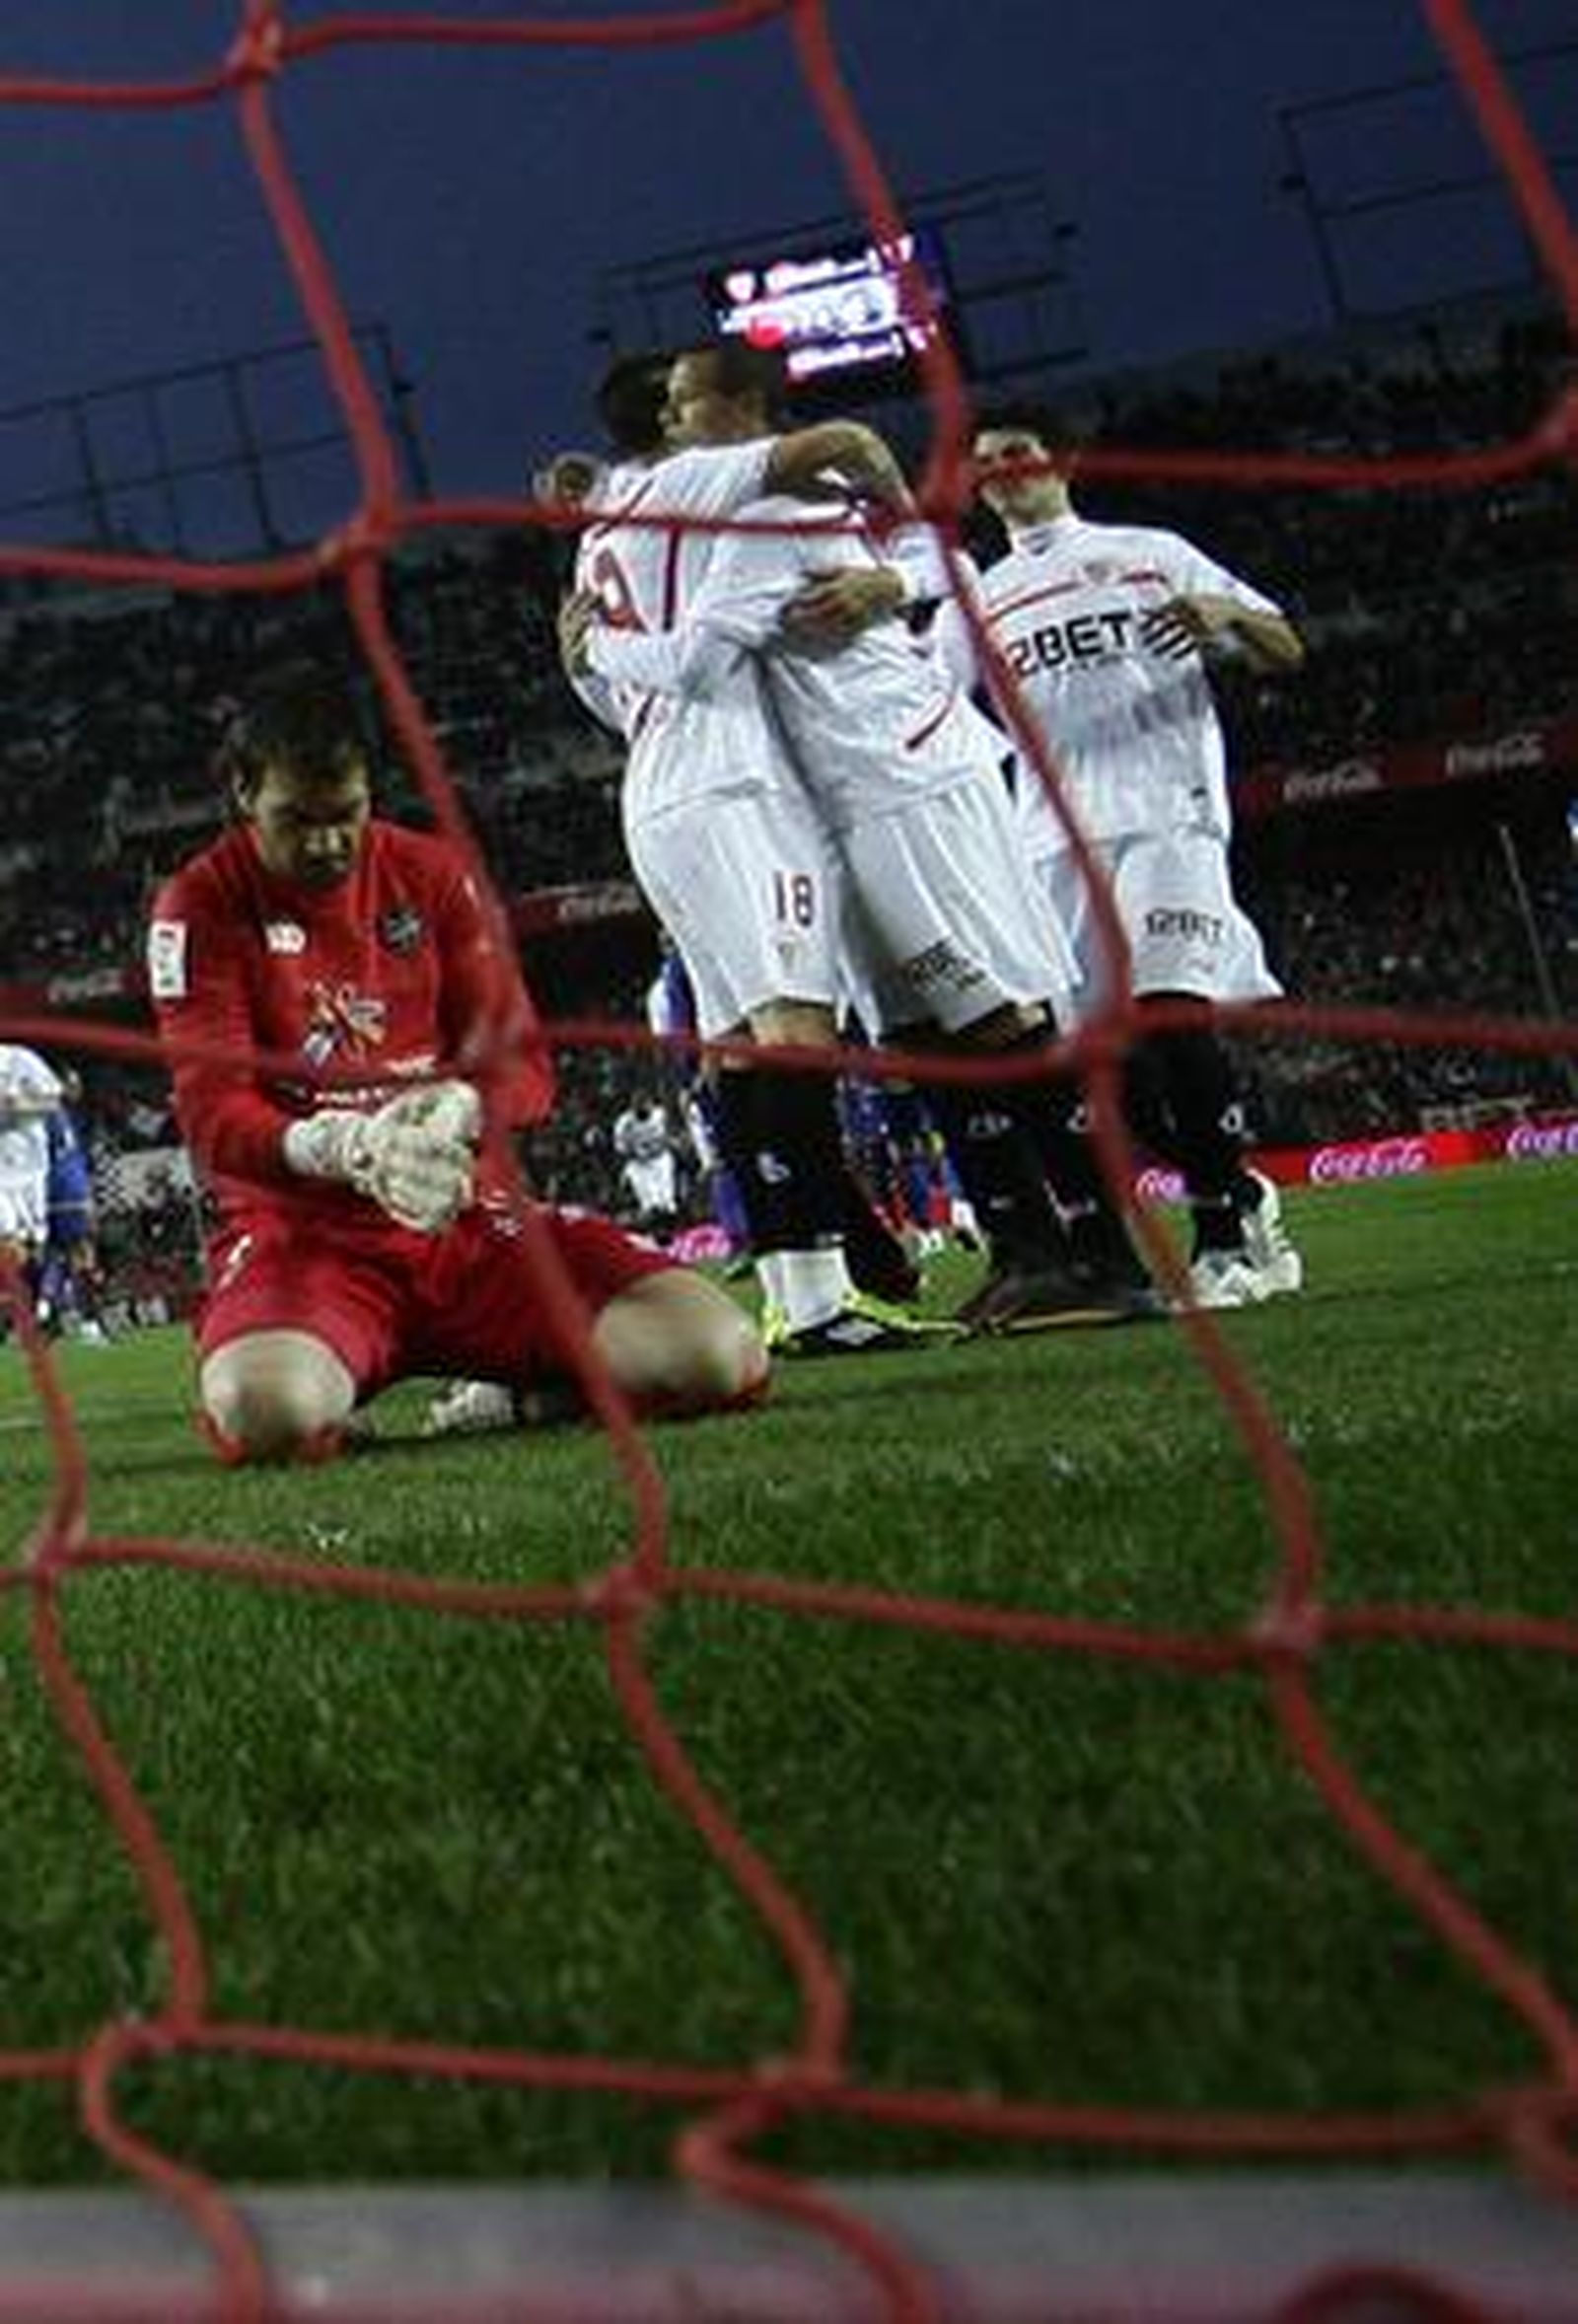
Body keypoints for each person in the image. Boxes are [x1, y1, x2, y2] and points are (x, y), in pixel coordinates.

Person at [567, 351, 1161, 1332]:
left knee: (990, 1014)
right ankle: (1027, 1251)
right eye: (664, 408)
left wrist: (883, 584)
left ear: (741, 410)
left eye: (688, 402)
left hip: (903, 770)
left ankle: (1108, 1251)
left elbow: (939, 560)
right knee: (914, 1037)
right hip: (836, 800)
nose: (673, 423)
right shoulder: (731, 509)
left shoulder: (764, 503)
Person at [146, 665, 766, 1465]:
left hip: (464, 1220)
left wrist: (462, 1108)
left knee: (718, 1356)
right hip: (303, 1238)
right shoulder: (199, 905)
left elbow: (524, 1069)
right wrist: (342, 1145)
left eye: (347, 815)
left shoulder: (435, 875)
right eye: (296, 820)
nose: (328, 842)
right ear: (241, 794)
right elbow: (215, 1117)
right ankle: (347, 1378)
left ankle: (506, 1384)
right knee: (267, 1414)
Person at [559, 345, 930, 1355]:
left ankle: (786, 1286)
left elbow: (594, 677)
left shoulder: (598, 533)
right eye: (681, 403)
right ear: (670, 421)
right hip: (730, 784)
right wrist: (900, 528)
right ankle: (818, 1299)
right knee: (795, 1031)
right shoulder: (686, 484)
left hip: (653, 789)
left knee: (732, 1047)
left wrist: (589, 652)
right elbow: (838, 444)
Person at [943, 401, 1307, 1308]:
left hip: (1165, 812)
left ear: (1057, 461)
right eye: (983, 463)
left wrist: (1223, 610)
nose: (1003, 471)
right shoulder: (980, 600)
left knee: (1171, 1012)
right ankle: (1234, 1182)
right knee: (1104, 1068)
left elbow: (1283, 647)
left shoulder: (1150, 551)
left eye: (1017, 452)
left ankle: (1223, 1241)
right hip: (1050, 839)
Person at [36, 1066, 109, 1341]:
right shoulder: (56, 1114)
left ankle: (44, 1312)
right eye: (73, 1083)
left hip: (48, 1195)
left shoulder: (46, 1113)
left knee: (56, 1255)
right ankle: (90, 1324)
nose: (78, 1088)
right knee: (83, 1254)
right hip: (68, 1192)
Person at [0, 1044, 62, 1331]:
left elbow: (54, 1099)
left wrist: (16, 1106)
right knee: (7, 1241)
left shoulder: (20, 1059)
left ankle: (42, 1306)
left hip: (31, 1168)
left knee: (34, 1246)